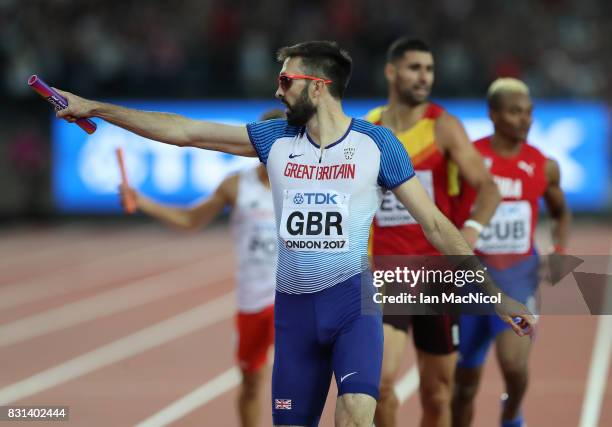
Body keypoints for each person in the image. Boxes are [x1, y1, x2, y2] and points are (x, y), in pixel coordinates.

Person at [56, 40, 534, 427]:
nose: (278, 90)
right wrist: (94, 107)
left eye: (286, 80)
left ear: (319, 86)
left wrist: (492, 293)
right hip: (295, 316)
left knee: (356, 416)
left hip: (353, 305)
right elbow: (186, 132)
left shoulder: (375, 144)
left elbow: (434, 223)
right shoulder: (274, 141)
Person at [366, 37, 501, 427]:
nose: (424, 77)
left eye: (429, 69)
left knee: (436, 395)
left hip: (438, 275)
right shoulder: (369, 128)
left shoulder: (444, 127)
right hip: (385, 274)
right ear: (392, 72)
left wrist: (471, 230)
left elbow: (488, 187)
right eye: (414, 68)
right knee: (380, 384)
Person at [119, 109, 283, 427]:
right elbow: (191, 220)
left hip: (291, 299)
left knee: (291, 384)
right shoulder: (236, 185)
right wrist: (143, 203)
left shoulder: (303, 187)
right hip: (252, 301)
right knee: (251, 382)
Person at [451, 78, 571, 427]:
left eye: (529, 112)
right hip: (472, 282)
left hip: (518, 277)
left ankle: (510, 414)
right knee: (464, 386)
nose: (526, 119)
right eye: (515, 112)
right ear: (493, 115)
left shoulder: (544, 165)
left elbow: (561, 211)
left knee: (515, 367)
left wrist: (559, 248)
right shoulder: (467, 159)